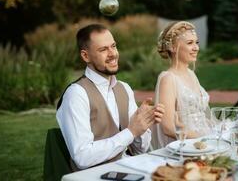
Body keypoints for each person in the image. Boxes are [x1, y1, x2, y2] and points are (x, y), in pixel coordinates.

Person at [56, 23, 164, 170]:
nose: (112, 53)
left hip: (130, 168)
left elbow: (141, 150)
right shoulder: (76, 94)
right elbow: (82, 157)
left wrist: (142, 126)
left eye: (113, 46)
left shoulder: (124, 89)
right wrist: (130, 132)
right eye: (103, 49)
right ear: (85, 56)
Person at [151, 21, 212, 149]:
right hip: (186, 147)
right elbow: (167, 128)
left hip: (205, 140)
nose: (196, 47)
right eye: (190, 43)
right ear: (172, 48)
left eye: (196, 42)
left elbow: (199, 115)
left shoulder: (191, 74)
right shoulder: (168, 79)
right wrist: (200, 139)